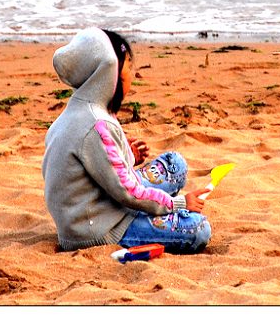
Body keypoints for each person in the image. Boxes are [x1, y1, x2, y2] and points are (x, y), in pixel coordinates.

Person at [42, 27, 211, 253]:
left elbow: (99, 167)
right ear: (109, 74)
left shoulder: (78, 110)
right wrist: (179, 204)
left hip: (92, 206)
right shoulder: (98, 125)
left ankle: (154, 207)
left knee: (175, 166)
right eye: (129, 68)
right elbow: (128, 191)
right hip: (95, 229)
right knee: (198, 228)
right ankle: (156, 212)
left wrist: (128, 156)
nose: (132, 75)